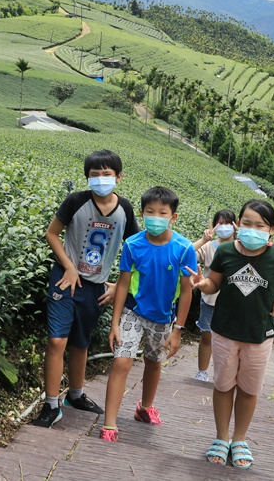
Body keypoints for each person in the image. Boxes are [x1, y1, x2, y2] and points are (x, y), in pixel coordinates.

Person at [187, 199, 274, 469]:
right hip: (224, 332)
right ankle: (221, 437)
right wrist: (202, 284)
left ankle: (239, 439)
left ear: (272, 229)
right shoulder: (226, 252)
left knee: (249, 390)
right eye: (246, 223)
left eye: (259, 225)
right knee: (223, 385)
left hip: (260, 335)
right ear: (238, 224)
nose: (252, 229)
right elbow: (214, 284)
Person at [32, 149, 139, 428]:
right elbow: (52, 233)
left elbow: (137, 250)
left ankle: (76, 396)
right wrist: (67, 265)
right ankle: (51, 404)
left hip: (96, 287)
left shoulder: (125, 209)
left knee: (81, 343)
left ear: (119, 177)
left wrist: (119, 284)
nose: (101, 179)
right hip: (65, 280)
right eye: (94, 175)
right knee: (57, 340)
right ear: (87, 178)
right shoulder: (76, 201)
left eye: (106, 174)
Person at [98, 186, 197, 442]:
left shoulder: (184, 249)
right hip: (133, 311)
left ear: (173, 216)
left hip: (164, 317)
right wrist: (115, 323)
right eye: (150, 211)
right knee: (122, 361)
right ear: (142, 213)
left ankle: (144, 408)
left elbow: (187, 292)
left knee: (154, 362)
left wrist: (179, 330)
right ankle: (110, 423)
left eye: (162, 212)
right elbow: (123, 283)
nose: (155, 217)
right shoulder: (133, 244)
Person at [191, 209, 237, 383]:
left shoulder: (241, 247)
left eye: (228, 223)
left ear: (235, 225)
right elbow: (186, 254)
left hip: (233, 303)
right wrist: (204, 239)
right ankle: (202, 372)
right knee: (207, 336)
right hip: (210, 300)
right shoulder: (209, 247)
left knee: (230, 342)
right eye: (220, 223)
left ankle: (224, 375)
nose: (224, 227)